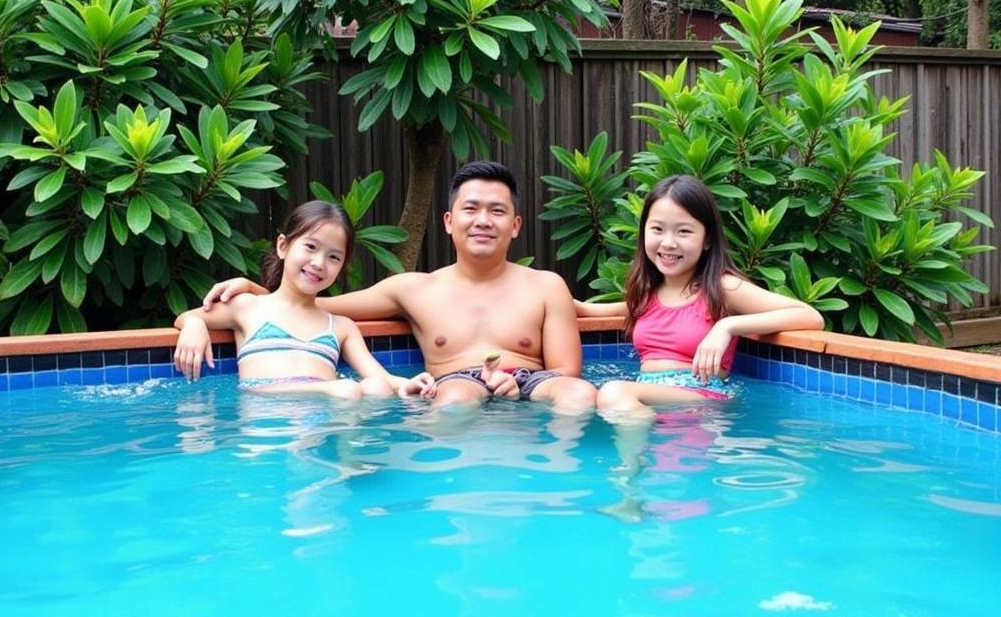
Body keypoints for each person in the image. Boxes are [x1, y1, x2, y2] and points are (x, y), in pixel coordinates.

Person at [184, 162, 598, 413]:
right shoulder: (412, 289)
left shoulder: (546, 285)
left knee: (579, 395)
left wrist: (516, 380)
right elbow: (314, 299)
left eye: (497, 211)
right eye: (470, 209)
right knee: (454, 403)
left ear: (516, 225)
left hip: (530, 382)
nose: (483, 220)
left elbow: (568, 371)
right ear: (449, 222)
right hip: (456, 385)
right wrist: (253, 292)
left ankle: (557, 486)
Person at [577, 175, 823, 416]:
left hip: (702, 399)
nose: (668, 243)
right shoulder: (647, 293)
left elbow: (809, 316)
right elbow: (595, 310)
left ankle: (635, 458)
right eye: (657, 229)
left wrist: (727, 326)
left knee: (614, 392)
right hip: (652, 401)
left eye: (684, 231)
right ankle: (640, 455)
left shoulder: (722, 288)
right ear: (643, 233)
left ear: (707, 240)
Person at [173, 199, 436, 400]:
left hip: (322, 421)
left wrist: (411, 384)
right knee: (346, 390)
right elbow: (186, 316)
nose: (319, 263)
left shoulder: (341, 326)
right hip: (267, 414)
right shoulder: (248, 306)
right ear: (283, 246)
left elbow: (380, 377)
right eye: (310, 247)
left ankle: (348, 463)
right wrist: (195, 325)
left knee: (376, 388)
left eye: (334, 257)